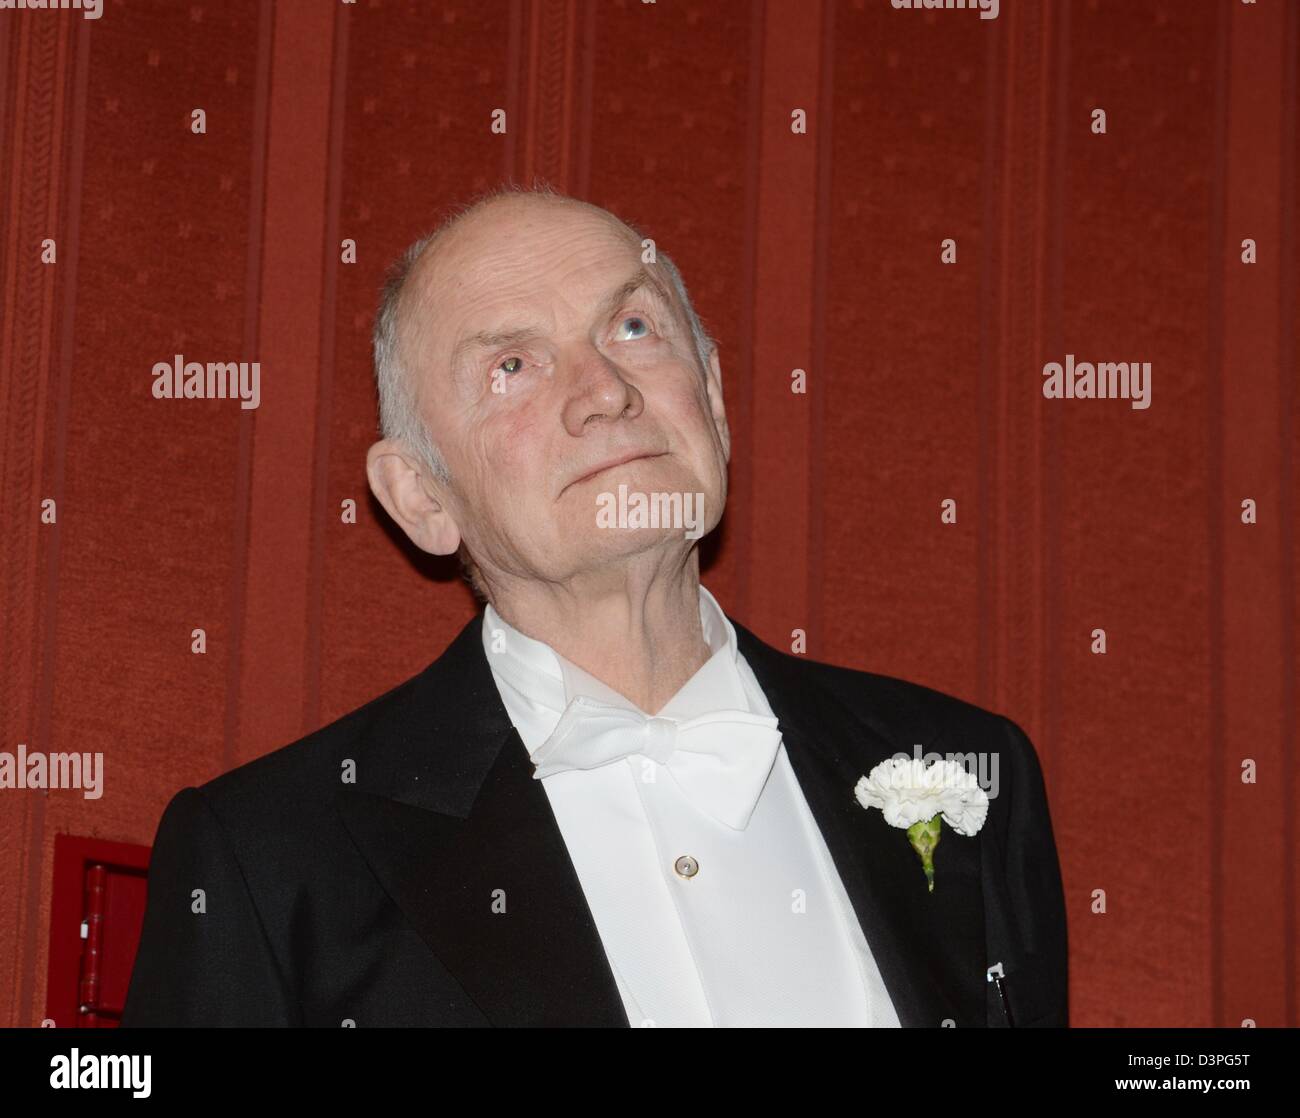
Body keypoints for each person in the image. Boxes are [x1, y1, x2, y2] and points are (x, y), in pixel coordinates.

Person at [121, 183, 1067, 1027]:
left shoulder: (965, 774)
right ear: (422, 496)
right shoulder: (271, 861)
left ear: (717, 402)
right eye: (512, 367)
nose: (605, 392)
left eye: (633, 329)